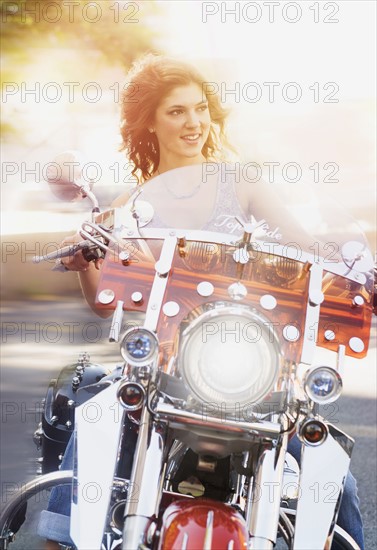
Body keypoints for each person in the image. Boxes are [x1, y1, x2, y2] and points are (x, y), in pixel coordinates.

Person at [38, 54, 364, 549]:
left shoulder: (241, 183)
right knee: (97, 416)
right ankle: (59, 540)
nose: (193, 123)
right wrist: (88, 258)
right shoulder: (132, 206)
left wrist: (359, 267)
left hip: (251, 365)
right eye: (176, 112)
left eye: (199, 109)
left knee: (332, 468)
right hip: (170, 364)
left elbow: (308, 247)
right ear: (149, 120)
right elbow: (108, 305)